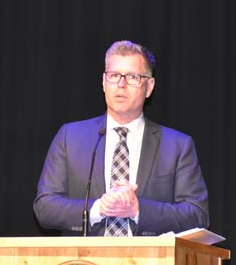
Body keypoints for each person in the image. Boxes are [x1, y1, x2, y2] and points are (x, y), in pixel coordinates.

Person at [34, 40, 209, 236]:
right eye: (114, 75)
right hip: (83, 263)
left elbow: (197, 214)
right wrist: (98, 209)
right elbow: (45, 207)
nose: (121, 84)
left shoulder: (177, 146)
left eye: (133, 77)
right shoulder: (70, 137)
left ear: (149, 86)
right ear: (103, 82)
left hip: (151, 264)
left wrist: (138, 210)